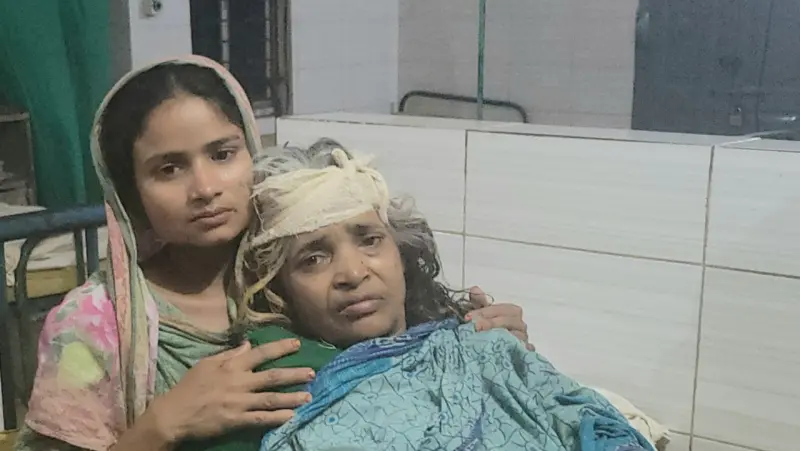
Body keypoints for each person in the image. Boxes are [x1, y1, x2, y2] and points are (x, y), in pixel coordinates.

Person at [14, 56, 533, 451]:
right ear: (131, 194)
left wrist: (491, 344)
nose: (205, 188)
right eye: (169, 169)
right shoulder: (93, 327)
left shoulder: (296, 265)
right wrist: (162, 425)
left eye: (223, 154)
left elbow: (405, 360)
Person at [231, 143, 656, 451]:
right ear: (279, 291)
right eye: (313, 259)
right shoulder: (276, 394)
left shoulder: (477, 347)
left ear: (401, 253)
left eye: (370, 240)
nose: (354, 273)